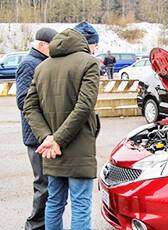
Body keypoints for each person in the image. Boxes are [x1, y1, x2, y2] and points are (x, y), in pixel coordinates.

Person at [23, 21, 100, 230]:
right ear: (86, 42)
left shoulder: (42, 67)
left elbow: (29, 107)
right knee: (81, 205)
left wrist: (47, 137)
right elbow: (84, 107)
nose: (96, 49)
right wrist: (56, 139)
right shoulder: (89, 63)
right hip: (78, 146)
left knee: (55, 202)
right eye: (96, 45)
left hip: (51, 149)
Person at [15, 27, 57, 230]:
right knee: (43, 184)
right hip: (35, 135)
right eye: (52, 46)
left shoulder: (40, 62)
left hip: (43, 134)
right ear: (42, 45)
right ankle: (34, 226)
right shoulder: (29, 64)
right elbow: (23, 101)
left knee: (48, 184)